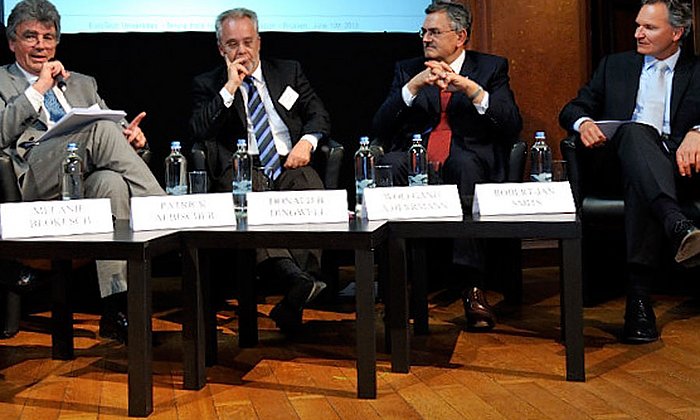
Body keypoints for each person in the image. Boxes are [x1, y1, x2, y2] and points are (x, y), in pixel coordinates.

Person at [0, 0, 165, 343]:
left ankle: (116, 308)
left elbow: (111, 136)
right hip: (34, 180)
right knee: (100, 131)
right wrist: (39, 89)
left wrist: (133, 139)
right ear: (12, 41)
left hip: (82, 181)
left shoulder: (82, 84)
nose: (41, 45)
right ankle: (162, 210)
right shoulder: (1, 81)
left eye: (48, 37)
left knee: (111, 182)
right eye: (30, 36)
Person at [372, 0, 522, 331]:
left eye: (434, 32)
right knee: (390, 164)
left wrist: (471, 89)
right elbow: (380, 125)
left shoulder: (491, 68)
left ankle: (471, 287)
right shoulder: (407, 68)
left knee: (464, 166)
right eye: (423, 32)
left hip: (467, 155)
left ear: (460, 36)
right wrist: (412, 87)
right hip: (417, 154)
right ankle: (399, 287)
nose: (425, 38)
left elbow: (511, 124)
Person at [560, 0, 700, 344]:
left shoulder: (697, 70)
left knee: (641, 183)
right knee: (637, 132)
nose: (637, 33)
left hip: (680, 167)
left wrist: (698, 131)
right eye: (638, 24)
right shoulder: (616, 66)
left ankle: (638, 303)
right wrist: (584, 122)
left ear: (677, 32)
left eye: (649, 27)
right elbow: (572, 108)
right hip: (618, 160)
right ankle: (675, 222)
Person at [189, 8, 329, 335]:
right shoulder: (209, 83)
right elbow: (199, 131)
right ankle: (297, 282)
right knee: (252, 204)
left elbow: (318, 114)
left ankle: (295, 293)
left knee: (310, 190)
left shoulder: (289, 71)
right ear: (221, 49)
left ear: (259, 42)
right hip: (242, 164)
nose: (242, 51)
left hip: (288, 159)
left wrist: (307, 142)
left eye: (248, 42)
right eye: (233, 44)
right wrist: (229, 89)